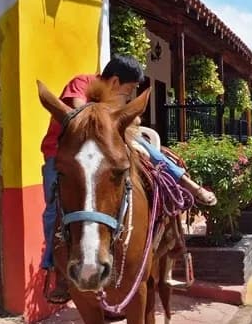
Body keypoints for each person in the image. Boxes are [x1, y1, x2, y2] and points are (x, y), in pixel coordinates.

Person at [40, 55, 217, 304]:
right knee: (52, 208)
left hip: (104, 153)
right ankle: (53, 267)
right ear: (114, 81)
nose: (131, 94)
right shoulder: (82, 82)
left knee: (152, 155)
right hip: (66, 156)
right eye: (130, 88)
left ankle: (182, 190)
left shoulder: (115, 99)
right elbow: (82, 115)